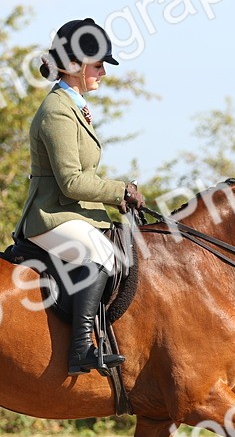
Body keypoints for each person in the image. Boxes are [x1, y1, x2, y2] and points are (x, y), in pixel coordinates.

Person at [13, 18, 145, 375]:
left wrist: (117, 200)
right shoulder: (57, 110)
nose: (103, 71)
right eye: (98, 64)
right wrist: (119, 190)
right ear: (74, 65)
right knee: (103, 252)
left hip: (75, 213)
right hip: (50, 215)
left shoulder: (75, 106)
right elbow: (71, 181)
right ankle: (81, 348)